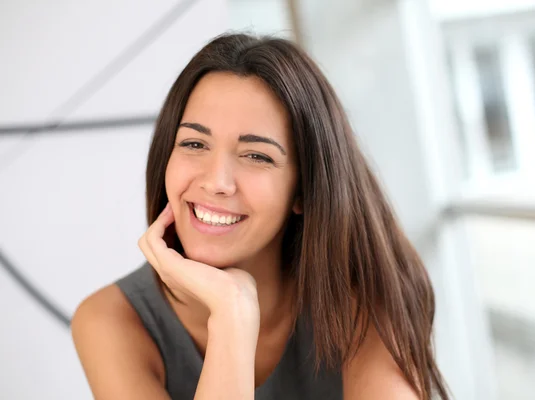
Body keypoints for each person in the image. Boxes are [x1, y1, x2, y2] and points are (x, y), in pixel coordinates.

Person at [71, 32, 450, 400]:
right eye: (194, 143)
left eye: (257, 155)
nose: (217, 182)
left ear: (303, 190)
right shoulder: (111, 321)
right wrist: (233, 316)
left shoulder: (367, 295)